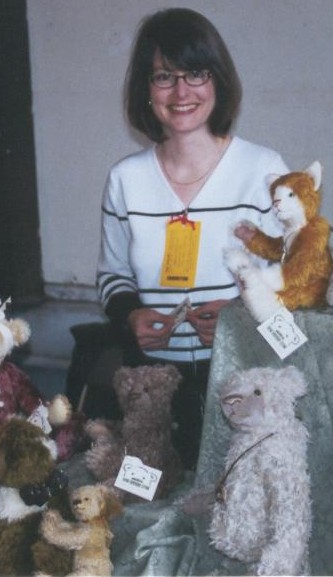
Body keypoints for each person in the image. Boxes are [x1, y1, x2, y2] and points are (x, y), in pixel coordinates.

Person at [96, 8, 289, 469]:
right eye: (165, 77)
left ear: (218, 81)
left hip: (244, 378)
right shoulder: (125, 179)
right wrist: (132, 313)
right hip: (156, 384)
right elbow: (111, 277)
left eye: (196, 74)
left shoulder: (264, 171)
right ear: (146, 89)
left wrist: (240, 313)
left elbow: (296, 280)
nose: (182, 92)